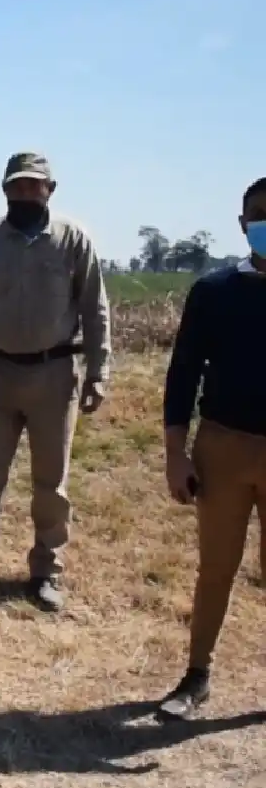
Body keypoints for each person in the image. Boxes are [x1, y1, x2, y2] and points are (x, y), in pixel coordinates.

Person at [0, 152, 110, 614]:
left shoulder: (74, 239)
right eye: (18, 186)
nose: (26, 193)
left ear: (51, 190)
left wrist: (98, 371)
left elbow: (95, 309)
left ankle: (46, 572)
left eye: (35, 186)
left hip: (55, 375)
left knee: (51, 483)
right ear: (4, 189)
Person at [156, 177, 266, 719]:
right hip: (224, 446)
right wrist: (176, 453)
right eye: (261, 215)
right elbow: (182, 376)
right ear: (244, 224)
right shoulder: (215, 292)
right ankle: (196, 676)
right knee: (215, 569)